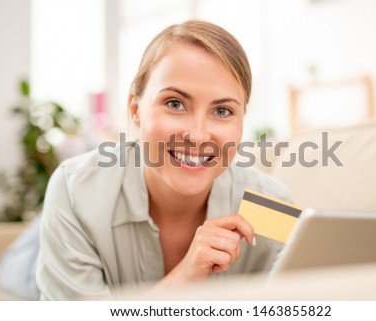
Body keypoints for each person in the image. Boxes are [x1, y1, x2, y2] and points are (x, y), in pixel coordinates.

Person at [37, 20, 293, 300]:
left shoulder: (272, 207)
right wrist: (186, 275)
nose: (197, 136)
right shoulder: (74, 191)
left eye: (222, 111)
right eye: (175, 104)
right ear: (136, 110)